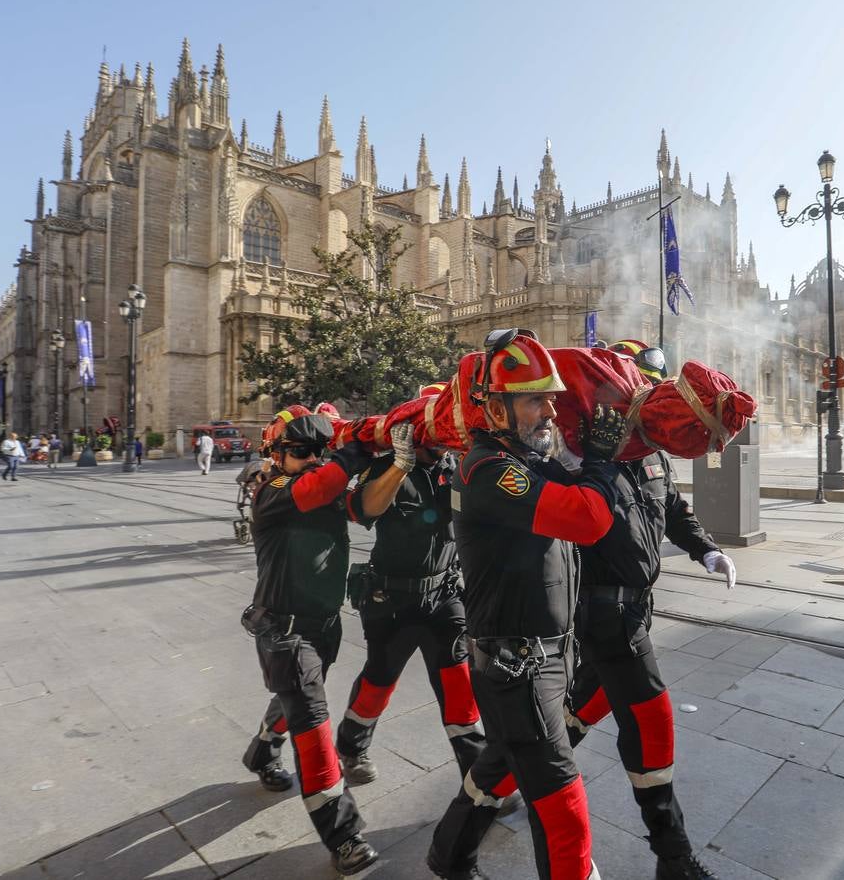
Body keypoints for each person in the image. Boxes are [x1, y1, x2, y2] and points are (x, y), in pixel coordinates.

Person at [429, 329, 621, 880]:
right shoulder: (489, 470)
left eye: (552, 398)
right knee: (560, 805)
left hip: (544, 653)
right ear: (494, 406)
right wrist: (604, 463)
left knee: (498, 765)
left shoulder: (524, 456)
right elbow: (587, 518)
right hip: (519, 665)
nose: (550, 410)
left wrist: (601, 454)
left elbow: (582, 490)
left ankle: (448, 853)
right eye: (535, 398)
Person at [563, 343, 729, 880]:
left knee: (583, 707)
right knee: (650, 718)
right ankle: (673, 860)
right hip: (602, 610)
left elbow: (674, 507)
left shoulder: (653, 453)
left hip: (638, 604)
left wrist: (706, 548)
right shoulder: (582, 450)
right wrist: (595, 458)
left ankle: (495, 784)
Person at [239, 405, 379, 875]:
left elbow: (364, 508)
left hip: (322, 623)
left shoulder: (322, 484)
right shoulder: (273, 490)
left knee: (292, 700)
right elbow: (321, 485)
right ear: (275, 455)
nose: (313, 459)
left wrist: (396, 462)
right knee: (314, 725)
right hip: (285, 629)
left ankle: (261, 750)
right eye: (300, 451)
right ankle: (344, 836)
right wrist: (351, 454)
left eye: (320, 451)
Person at [335, 418, 486, 789]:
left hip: (445, 596)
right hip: (393, 600)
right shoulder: (387, 467)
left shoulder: (458, 467)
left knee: (459, 685)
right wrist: (401, 466)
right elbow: (363, 510)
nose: (450, 440)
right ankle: (352, 746)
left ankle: (478, 772)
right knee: (379, 682)